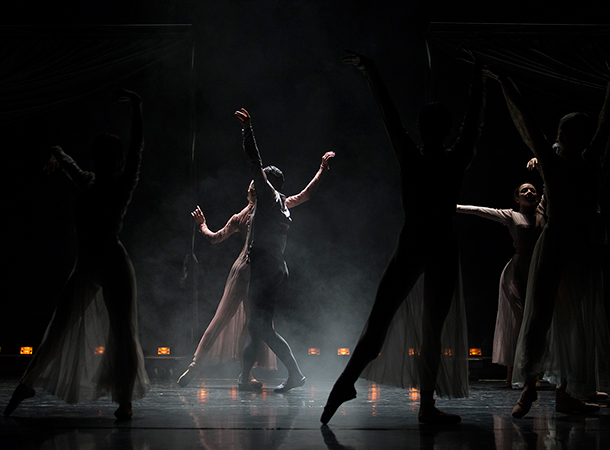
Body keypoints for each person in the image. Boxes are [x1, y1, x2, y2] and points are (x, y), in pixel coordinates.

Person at [321, 51, 484, 425]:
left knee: (380, 320)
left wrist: (371, 71)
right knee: (431, 330)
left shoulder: (411, 155)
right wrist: (478, 75)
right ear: (445, 130)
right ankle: (424, 405)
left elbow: (389, 115)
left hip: (414, 241)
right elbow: (473, 121)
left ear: (422, 129)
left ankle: (346, 382)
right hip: (440, 243)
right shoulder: (455, 158)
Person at [4, 90, 150, 420]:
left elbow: (137, 148)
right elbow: (70, 160)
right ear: (99, 158)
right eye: (104, 155)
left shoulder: (119, 184)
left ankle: (124, 400)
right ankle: (27, 382)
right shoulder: (88, 181)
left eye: (112, 156)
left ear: (117, 161)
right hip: (89, 263)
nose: (109, 161)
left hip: (111, 262)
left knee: (121, 332)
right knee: (62, 326)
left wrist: (138, 109)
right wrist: (55, 152)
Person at [485, 69, 610, 417]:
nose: (579, 137)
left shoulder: (590, 160)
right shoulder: (552, 161)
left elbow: (606, 124)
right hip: (556, 242)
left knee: (573, 321)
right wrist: (505, 82)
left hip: (580, 245)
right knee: (540, 315)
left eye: (582, 132)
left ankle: (566, 393)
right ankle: (529, 386)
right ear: (563, 136)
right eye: (572, 132)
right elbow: (527, 121)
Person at [177, 150, 335, 388]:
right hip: (260, 270)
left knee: (230, 320)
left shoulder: (247, 213)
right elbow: (306, 195)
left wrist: (202, 226)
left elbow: (215, 237)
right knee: (256, 327)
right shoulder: (275, 206)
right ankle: (250, 375)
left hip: (244, 269)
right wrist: (322, 169)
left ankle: (200, 366)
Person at [233, 107, 307, 393]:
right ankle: (244, 378)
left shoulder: (269, 197)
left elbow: (255, 161)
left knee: (261, 327)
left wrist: (247, 130)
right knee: (256, 327)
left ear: (268, 184)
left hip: (266, 267)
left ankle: (296, 374)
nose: (256, 183)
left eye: (260, 180)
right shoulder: (281, 204)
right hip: (272, 267)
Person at [456, 182, 546, 387]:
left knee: (536, 320)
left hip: (537, 269)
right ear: (517, 199)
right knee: (519, 320)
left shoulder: (542, 212)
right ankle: (516, 372)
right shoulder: (512, 216)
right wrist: (454, 207)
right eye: (524, 191)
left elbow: (550, 186)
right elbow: (480, 211)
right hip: (516, 272)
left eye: (532, 190)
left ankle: (533, 371)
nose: (529, 192)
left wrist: (541, 168)